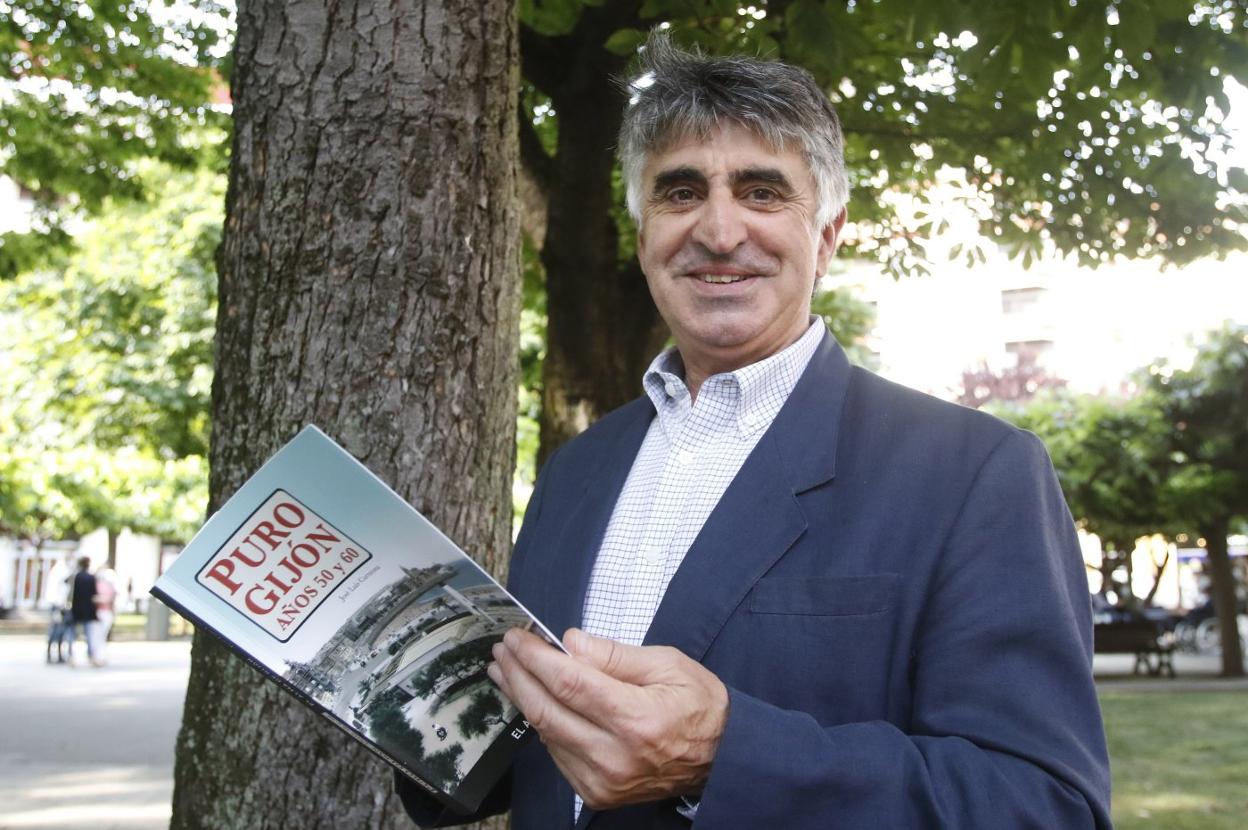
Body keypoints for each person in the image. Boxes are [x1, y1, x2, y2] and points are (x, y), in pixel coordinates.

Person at [396, 35, 1111, 829]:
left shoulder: (976, 472)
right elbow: (532, 737)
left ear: (827, 237)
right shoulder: (577, 469)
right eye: (680, 192)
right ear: (643, 234)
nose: (719, 230)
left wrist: (722, 756)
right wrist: (391, 689)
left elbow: (1044, 805)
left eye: (762, 192)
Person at [68, 556, 101, 667]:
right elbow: (94, 594)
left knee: (72, 634)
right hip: (88, 610)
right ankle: (91, 656)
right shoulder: (90, 578)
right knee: (89, 635)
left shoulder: (75, 577)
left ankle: (71, 656)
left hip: (75, 609)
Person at [88, 567, 117, 666]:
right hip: (98, 612)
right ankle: (96, 656)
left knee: (102, 636)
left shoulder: (109, 586)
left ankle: (100, 656)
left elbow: (111, 599)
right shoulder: (96, 585)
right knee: (96, 636)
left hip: (106, 612)